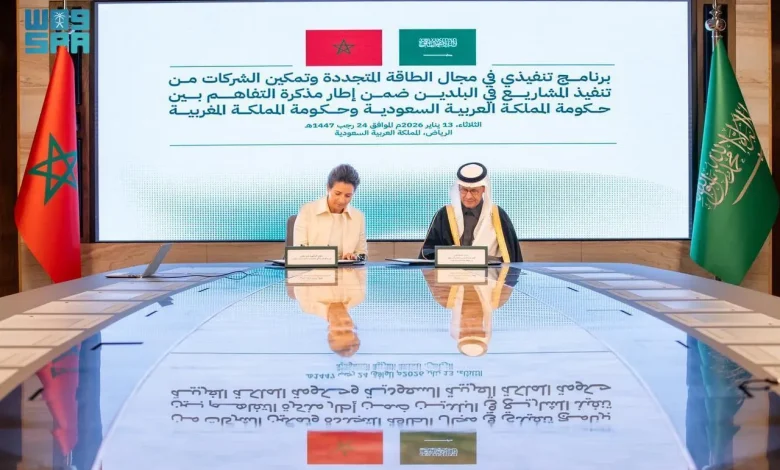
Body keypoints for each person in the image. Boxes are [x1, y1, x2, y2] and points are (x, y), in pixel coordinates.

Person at [419, 162, 522, 262]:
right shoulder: (444, 215)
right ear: (458, 188)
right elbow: (428, 252)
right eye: (464, 190)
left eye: (474, 191)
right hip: (451, 273)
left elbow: (511, 257)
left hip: (489, 273)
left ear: (483, 189)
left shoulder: (498, 216)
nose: (468, 196)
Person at [293, 164, 367, 260]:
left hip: (347, 268)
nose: (342, 200)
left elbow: (362, 254)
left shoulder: (358, 217)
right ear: (328, 188)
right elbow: (299, 251)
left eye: (348, 196)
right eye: (337, 193)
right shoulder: (307, 211)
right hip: (313, 268)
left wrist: (355, 257)